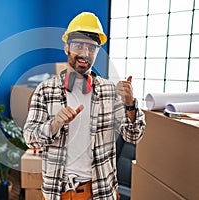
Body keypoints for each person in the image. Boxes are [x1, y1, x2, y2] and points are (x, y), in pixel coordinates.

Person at [23, 12, 146, 200]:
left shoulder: (109, 91)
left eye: (91, 47)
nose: (85, 53)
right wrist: (54, 124)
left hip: (100, 192)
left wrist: (130, 104)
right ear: (66, 47)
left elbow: (133, 135)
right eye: (78, 45)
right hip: (58, 193)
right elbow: (30, 139)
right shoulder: (45, 90)